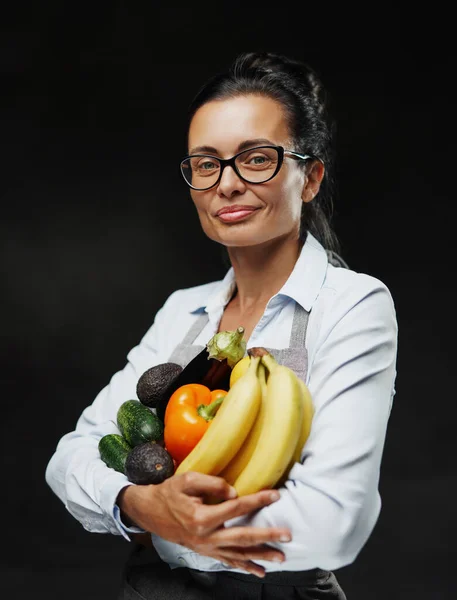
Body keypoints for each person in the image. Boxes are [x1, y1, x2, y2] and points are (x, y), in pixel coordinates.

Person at [45, 51, 398, 600]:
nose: (226, 184)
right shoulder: (182, 311)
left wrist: (178, 524)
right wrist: (137, 504)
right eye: (206, 163)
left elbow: (336, 518)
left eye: (256, 158)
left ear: (310, 178)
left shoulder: (353, 305)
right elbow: (72, 455)